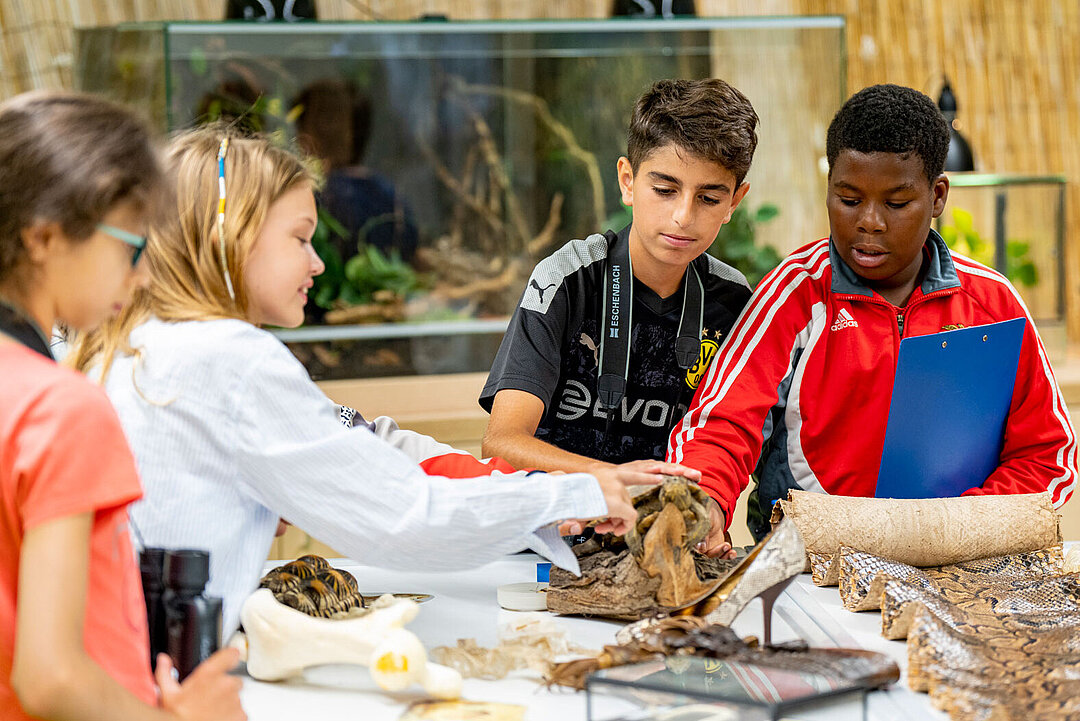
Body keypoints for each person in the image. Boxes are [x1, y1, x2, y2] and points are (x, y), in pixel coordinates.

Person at [73, 125, 698, 635]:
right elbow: (404, 518)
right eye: (300, 238)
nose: (317, 263)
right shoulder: (231, 359)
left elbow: (357, 442)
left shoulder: (133, 339)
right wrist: (578, 493)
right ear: (230, 238)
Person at [668, 83, 1077, 557]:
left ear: (937, 195)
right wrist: (705, 506)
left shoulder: (993, 304)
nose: (870, 221)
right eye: (848, 198)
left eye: (897, 204)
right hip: (811, 570)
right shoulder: (793, 295)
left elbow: (1048, 454)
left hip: (961, 563)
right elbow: (723, 423)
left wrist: (953, 529)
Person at [0, 92, 243, 721]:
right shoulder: (60, 408)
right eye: (131, 248)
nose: (139, 277)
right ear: (44, 238)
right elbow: (51, 677)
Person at [480, 78, 757, 475]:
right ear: (628, 181)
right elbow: (501, 443)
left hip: (666, 526)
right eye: (664, 190)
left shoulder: (734, 300)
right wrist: (614, 480)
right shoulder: (568, 279)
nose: (683, 216)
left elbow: (735, 444)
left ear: (734, 201)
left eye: (709, 199)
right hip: (556, 523)